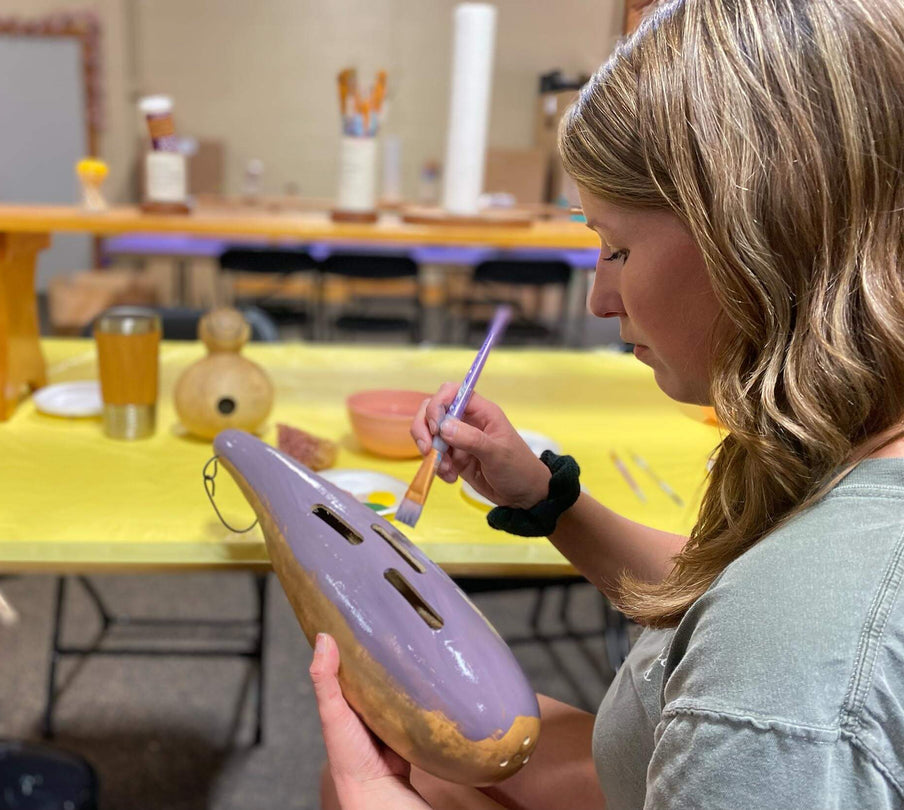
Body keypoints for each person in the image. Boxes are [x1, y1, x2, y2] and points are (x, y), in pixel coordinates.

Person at [308, 0, 904, 807]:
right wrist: (543, 497)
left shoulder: (780, 684)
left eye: (618, 247)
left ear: (763, 236)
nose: (598, 298)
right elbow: (723, 599)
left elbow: (762, 633)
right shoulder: (860, 460)